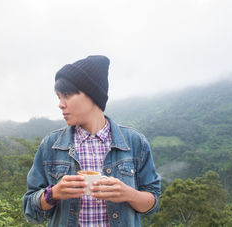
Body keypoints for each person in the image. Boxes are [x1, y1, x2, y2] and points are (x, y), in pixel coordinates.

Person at [22, 55, 161, 227]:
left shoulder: (135, 142)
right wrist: (54, 193)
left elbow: (153, 203)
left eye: (67, 95)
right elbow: (30, 208)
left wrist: (129, 194)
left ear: (92, 94)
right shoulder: (50, 145)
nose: (61, 104)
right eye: (59, 97)